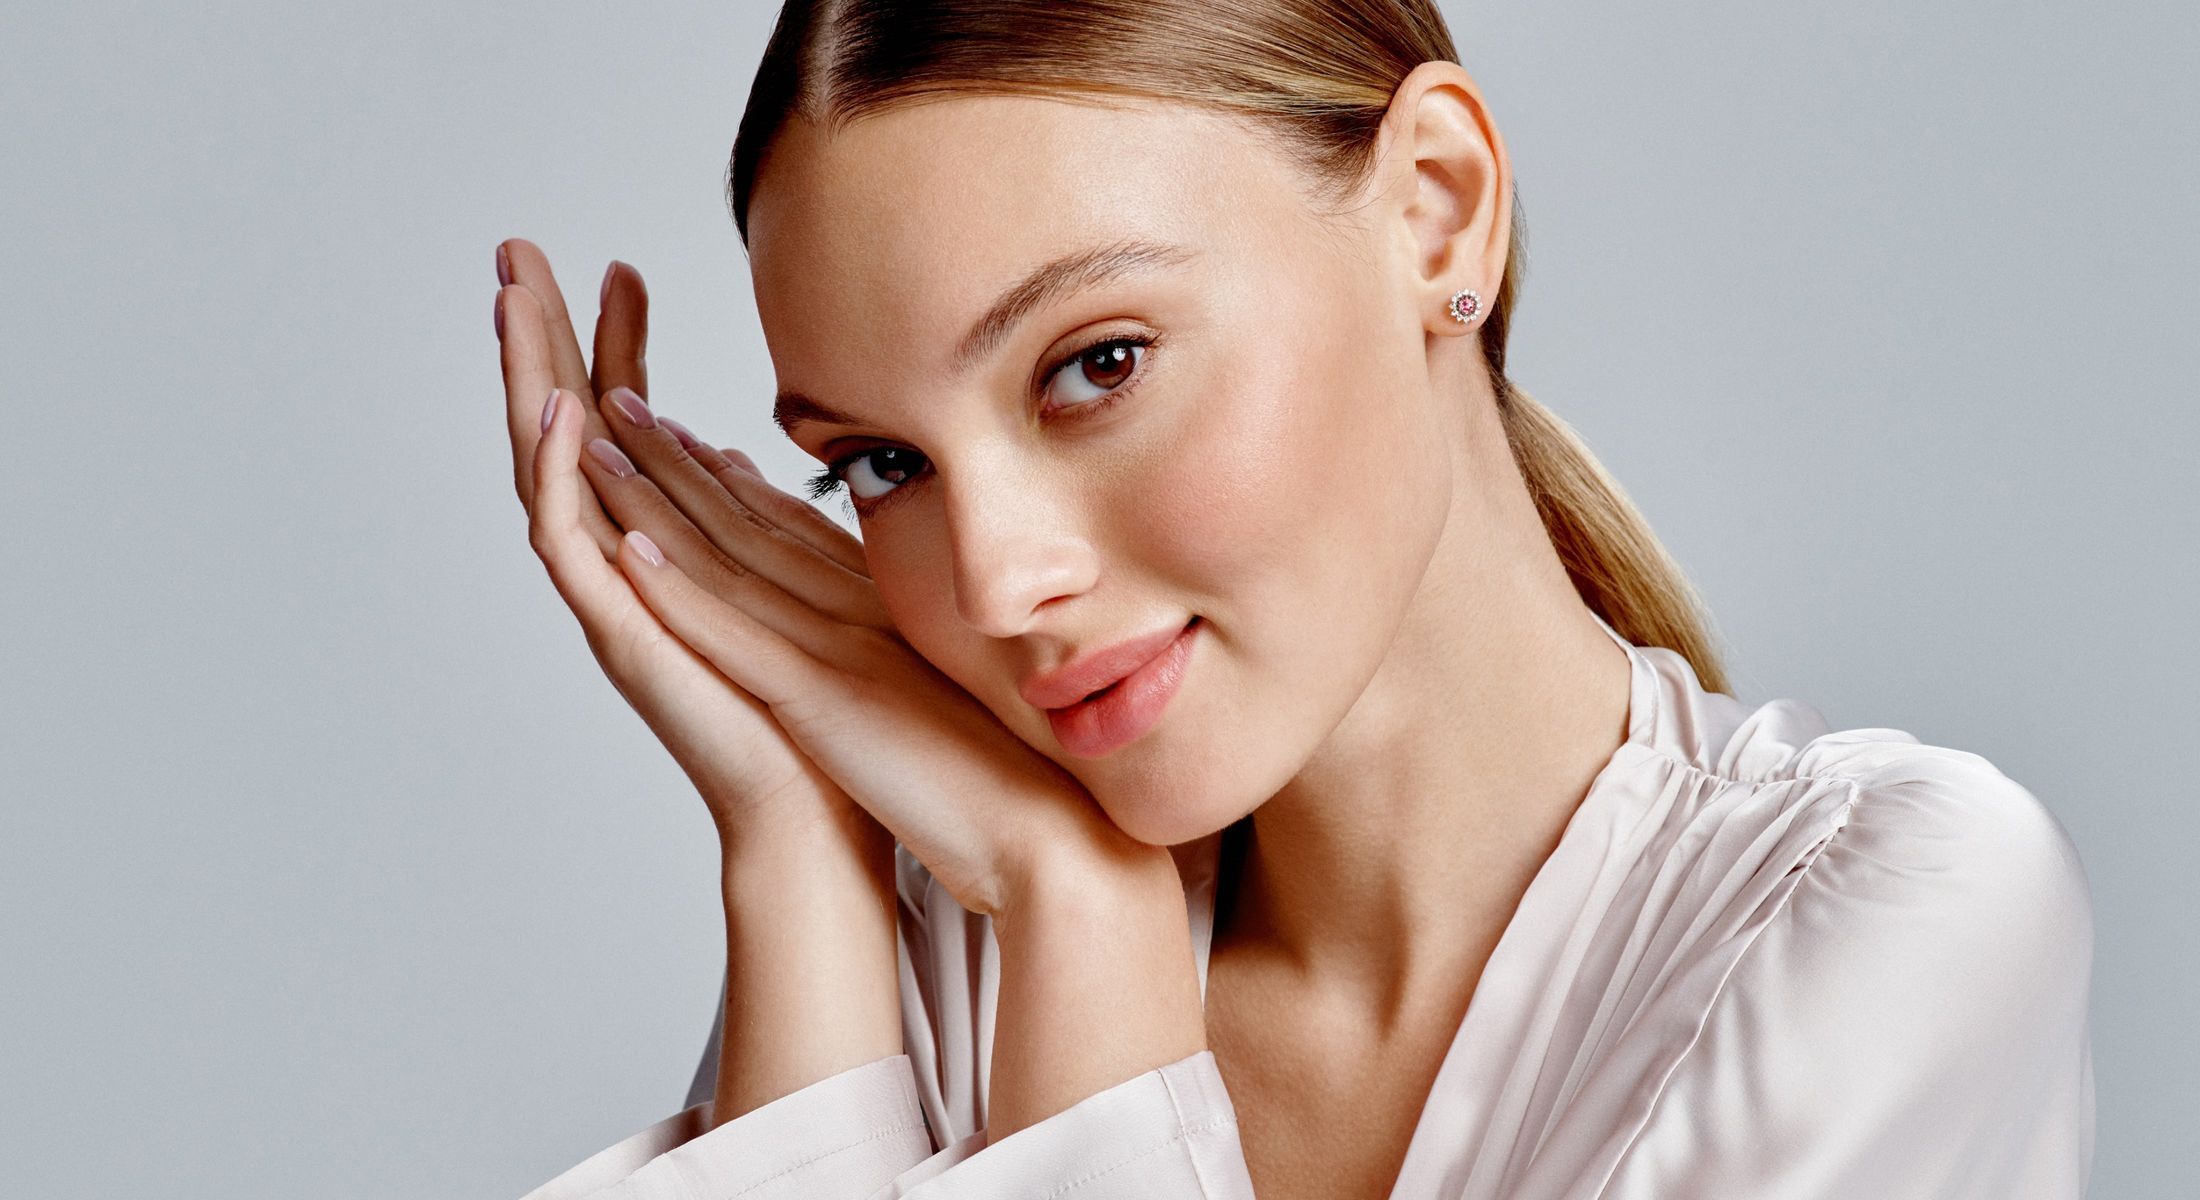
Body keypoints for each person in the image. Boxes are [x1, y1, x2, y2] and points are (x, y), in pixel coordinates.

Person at [489, 2, 2095, 1196]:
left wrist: (1089, 942)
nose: (996, 582)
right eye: (883, 467)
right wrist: (791, 837)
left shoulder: (1886, 923)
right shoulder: (945, 934)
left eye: (1095, 367)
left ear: (1438, 208)